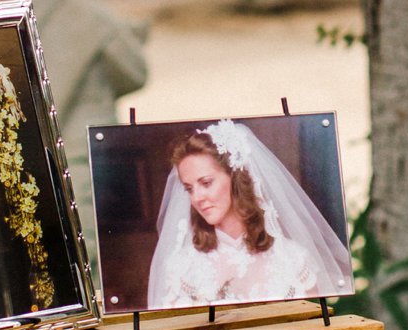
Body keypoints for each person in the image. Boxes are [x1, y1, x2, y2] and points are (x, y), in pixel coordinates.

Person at [0, 0, 149, 237]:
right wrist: (123, 34)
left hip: (37, 154)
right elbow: (134, 70)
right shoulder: (86, 13)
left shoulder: (9, 9)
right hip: (88, 154)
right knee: (97, 246)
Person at [145, 120, 353, 308]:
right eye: (189, 188)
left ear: (235, 178)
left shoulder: (293, 260)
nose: (197, 197)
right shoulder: (182, 268)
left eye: (206, 183)